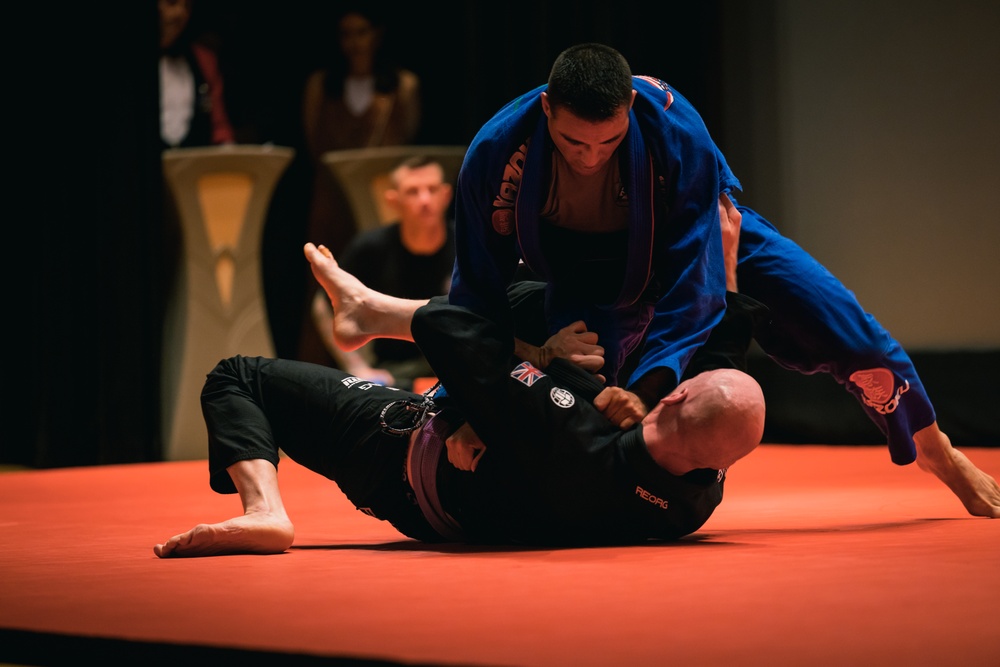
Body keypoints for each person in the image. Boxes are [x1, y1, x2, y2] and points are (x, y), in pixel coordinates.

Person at [447, 43, 1000, 519]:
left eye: (609, 142)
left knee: (844, 324)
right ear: (547, 109)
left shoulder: (675, 127)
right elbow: (476, 288)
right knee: (594, 388)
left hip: (699, 234)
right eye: (574, 143)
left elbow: (697, 283)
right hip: (585, 271)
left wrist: (648, 389)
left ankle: (936, 450)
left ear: (631, 109)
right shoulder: (496, 153)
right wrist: (473, 402)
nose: (591, 158)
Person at [152, 237, 767, 556]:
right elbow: (718, 393)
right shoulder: (694, 500)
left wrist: (543, 362)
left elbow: (458, 335)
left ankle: (266, 508)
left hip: (394, 457)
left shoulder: (571, 429)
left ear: (674, 398)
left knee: (237, 376)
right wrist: (729, 281)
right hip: (480, 492)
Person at [310, 156, 455, 389]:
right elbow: (322, 304)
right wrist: (357, 367)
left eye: (432, 189)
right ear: (393, 200)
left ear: (446, 195)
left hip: (457, 366)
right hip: (394, 373)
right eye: (413, 192)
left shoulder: (468, 246)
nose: (425, 200)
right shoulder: (370, 248)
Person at [301, 6, 421, 260]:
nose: (355, 42)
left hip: (381, 195)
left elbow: (407, 141)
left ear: (377, 35)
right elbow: (314, 143)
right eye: (347, 34)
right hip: (331, 199)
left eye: (361, 32)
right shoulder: (321, 86)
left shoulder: (402, 86)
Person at [158, 0, 235, 150]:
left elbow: (219, 126)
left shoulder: (203, 60)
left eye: (187, 6)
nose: (180, 13)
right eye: (171, 3)